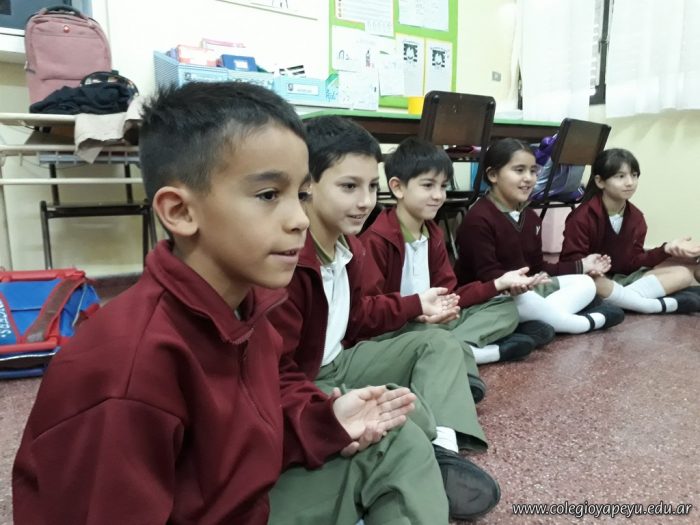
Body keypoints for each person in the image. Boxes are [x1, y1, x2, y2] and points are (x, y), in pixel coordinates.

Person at [12, 82, 429, 525]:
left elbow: (256, 416)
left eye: (301, 195)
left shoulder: (250, 304)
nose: (299, 220)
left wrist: (324, 421)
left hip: (241, 497)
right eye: (269, 195)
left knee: (395, 440)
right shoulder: (127, 370)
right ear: (180, 211)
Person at [267, 116, 501, 523]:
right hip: (307, 379)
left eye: (371, 187)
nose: (365, 201)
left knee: (438, 345)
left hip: (339, 360)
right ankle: (430, 447)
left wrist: (415, 305)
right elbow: (277, 375)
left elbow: (360, 314)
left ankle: (443, 451)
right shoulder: (289, 262)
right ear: (307, 185)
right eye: (349, 186)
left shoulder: (349, 247)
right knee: (408, 415)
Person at [361, 137, 556, 375]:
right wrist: (416, 310)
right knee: (428, 337)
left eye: (443, 186)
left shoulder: (433, 234)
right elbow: (368, 313)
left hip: (434, 323)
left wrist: (498, 284)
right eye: (428, 185)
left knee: (504, 308)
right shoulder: (376, 239)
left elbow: (450, 294)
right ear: (397, 187)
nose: (438, 195)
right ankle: (478, 353)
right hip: (398, 329)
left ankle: (456, 351)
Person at [454, 138, 625, 335]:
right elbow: (487, 276)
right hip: (492, 298)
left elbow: (538, 267)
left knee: (585, 283)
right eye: (519, 170)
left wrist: (583, 265)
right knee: (528, 300)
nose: (529, 178)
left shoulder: (531, 218)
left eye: (533, 171)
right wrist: (518, 283)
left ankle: (534, 323)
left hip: (526, 289)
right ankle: (587, 322)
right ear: (493, 175)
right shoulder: (479, 218)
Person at [560, 147, 700, 314]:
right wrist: (592, 268)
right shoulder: (582, 216)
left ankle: (622, 300)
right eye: (620, 176)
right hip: (594, 279)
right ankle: (643, 303)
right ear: (600, 181)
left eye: (634, 175)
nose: (630, 182)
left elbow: (634, 262)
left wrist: (667, 249)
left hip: (624, 279)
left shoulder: (636, 217)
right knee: (592, 282)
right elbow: (571, 261)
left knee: (683, 274)